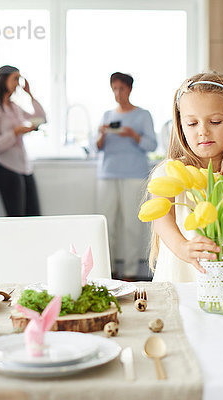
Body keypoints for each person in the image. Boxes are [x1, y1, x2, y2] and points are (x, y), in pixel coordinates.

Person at [149, 72, 223, 282]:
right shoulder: (170, 172)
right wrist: (183, 247)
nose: (203, 131)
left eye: (215, 122)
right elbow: (161, 218)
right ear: (180, 125)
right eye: (192, 123)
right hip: (178, 281)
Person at [94, 72, 157, 280]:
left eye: (121, 88)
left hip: (133, 175)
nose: (117, 93)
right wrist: (102, 134)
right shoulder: (107, 116)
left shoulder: (143, 115)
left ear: (129, 89)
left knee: (131, 224)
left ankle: (130, 272)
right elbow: (96, 148)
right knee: (106, 224)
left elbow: (152, 145)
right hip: (108, 175)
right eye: (114, 89)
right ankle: (107, 270)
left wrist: (132, 134)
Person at [0, 65, 46, 216]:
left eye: (19, 79)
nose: (18, 83)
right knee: (16, 218)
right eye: (15, 79)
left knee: (34, 216)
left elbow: (42, 118)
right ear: (3, 80)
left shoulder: (14, 106)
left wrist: (30, 94)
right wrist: (15, 132)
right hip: (6, 168)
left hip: (23, 167)